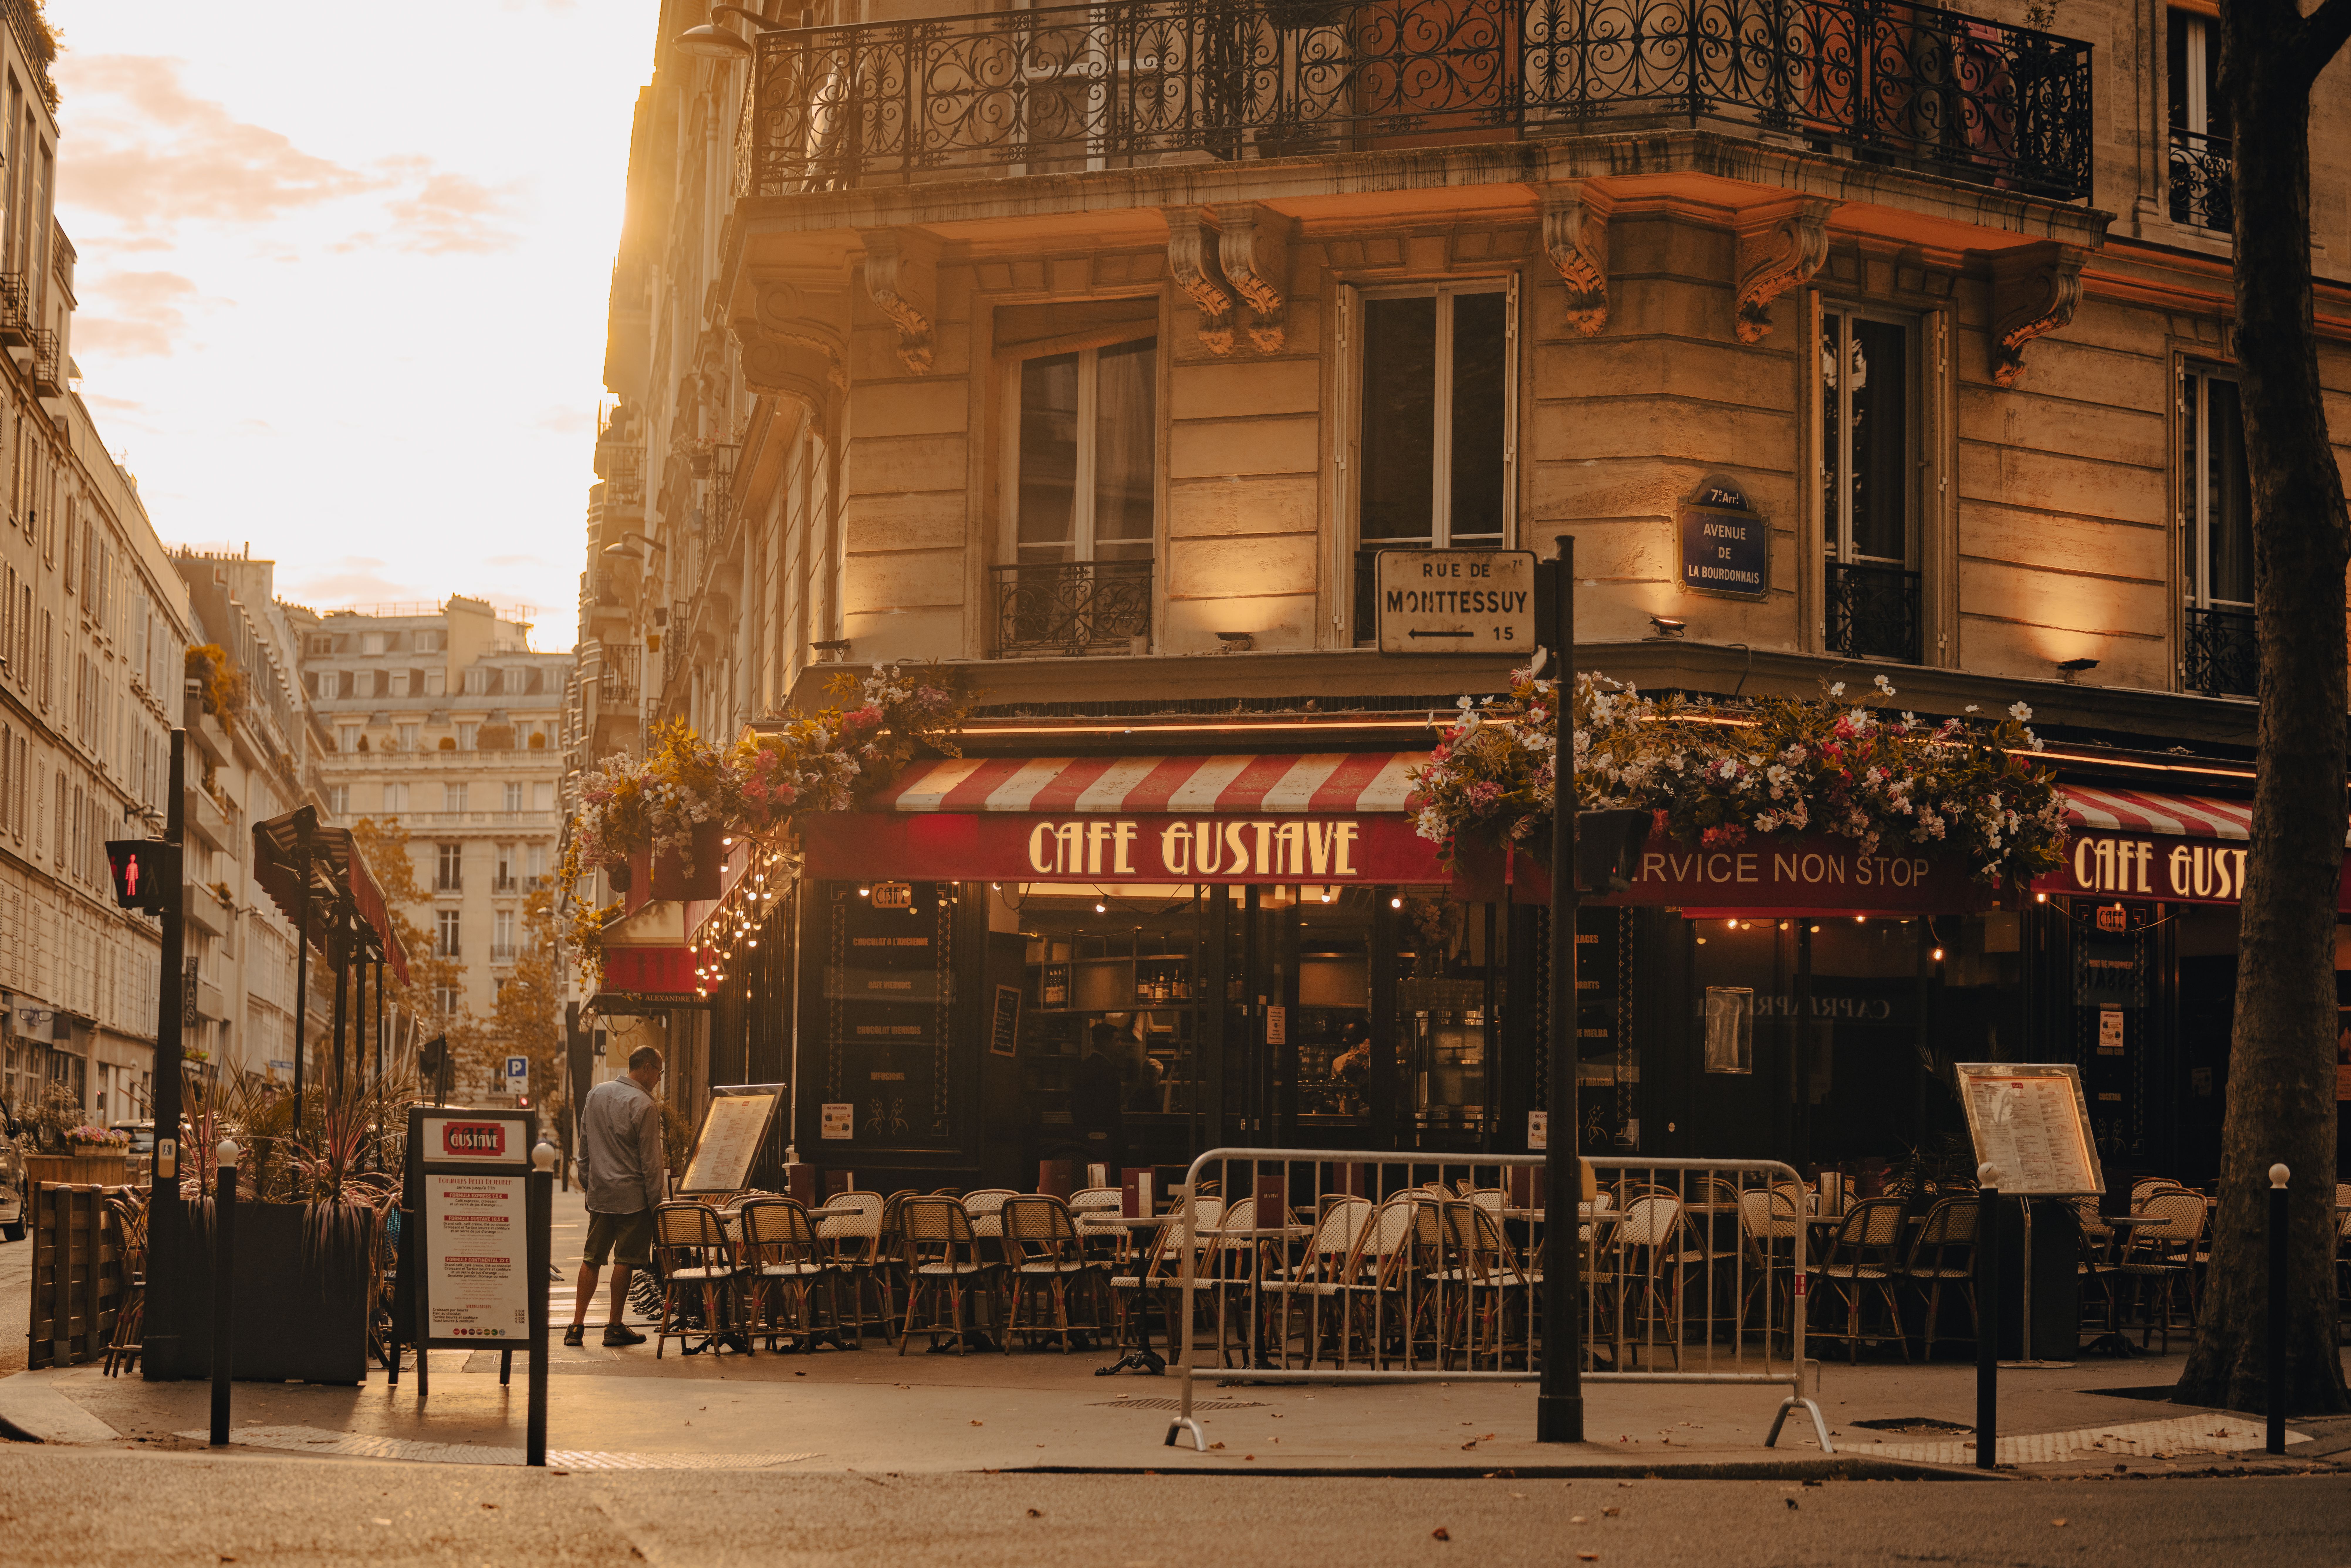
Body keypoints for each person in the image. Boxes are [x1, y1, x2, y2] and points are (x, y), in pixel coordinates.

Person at [567, 1044, 667, 1348]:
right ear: (648, 1068)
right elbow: (651, 1162)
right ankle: (614, 1326)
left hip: (601, 1196)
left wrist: (589, 1184)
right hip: (633, 1199)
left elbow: (584, 1147)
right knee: (625, 1260)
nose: (658, 1080)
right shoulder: (645, 1105)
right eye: (659, 1073)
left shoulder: (596, 1094)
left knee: (592, 1258)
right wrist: (656, 1204)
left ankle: (576, 1326)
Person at [1069, 1021, 1126, 1175]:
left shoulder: (1085, 1066)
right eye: (1117, 1040)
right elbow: (1108, 1108)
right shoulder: (1106, 1070)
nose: (1121, 1044)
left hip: (1085, 1137)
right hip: (1104, 1138)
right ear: (1105, 1043)